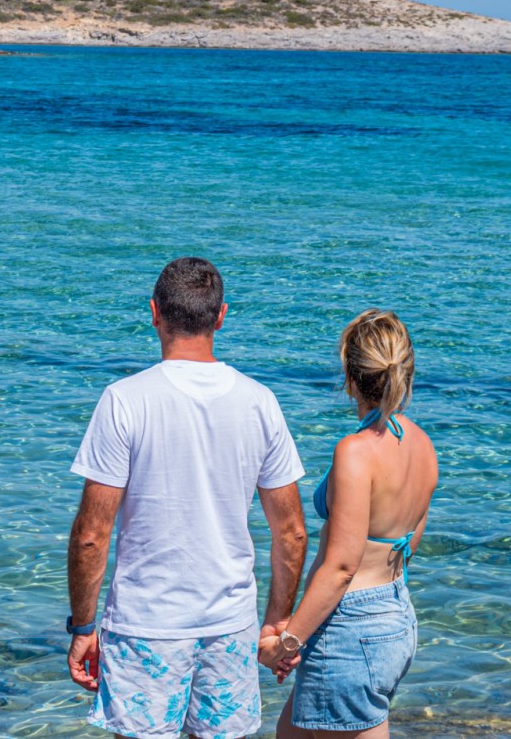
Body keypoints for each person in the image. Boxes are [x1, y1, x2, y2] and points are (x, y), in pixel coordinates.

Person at [67, 256, 308, 739]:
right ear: (221, 317)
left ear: (154, 312)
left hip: (146, 626)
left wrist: (83, 627)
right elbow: (292, 532)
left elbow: (93, 535)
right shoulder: (259, 400)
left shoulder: (125, 399)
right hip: (231, 625)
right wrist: (277, 623)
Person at [260, 309, 438, 738]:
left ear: (350, 376)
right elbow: (409, 542)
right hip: (395, 617)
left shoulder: (356, 452)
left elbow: (341, 568)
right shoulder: (422, 445)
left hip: (351, 628)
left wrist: (287, 643)